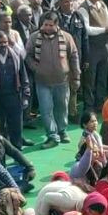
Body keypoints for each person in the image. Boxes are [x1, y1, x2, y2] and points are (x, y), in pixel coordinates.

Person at [25, 11, 80, 149]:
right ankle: (52, 135)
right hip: (42, 81)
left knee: (61, 107)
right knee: (45, 109)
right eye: (45, 25)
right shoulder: (34, 37)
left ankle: (62, 131)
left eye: (50, 25)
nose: (47, 27)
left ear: (56, 25)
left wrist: (76, 76)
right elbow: (27, 56)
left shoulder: (66, 37)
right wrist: (36, 68)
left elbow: (74, 56)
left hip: (62, 80)